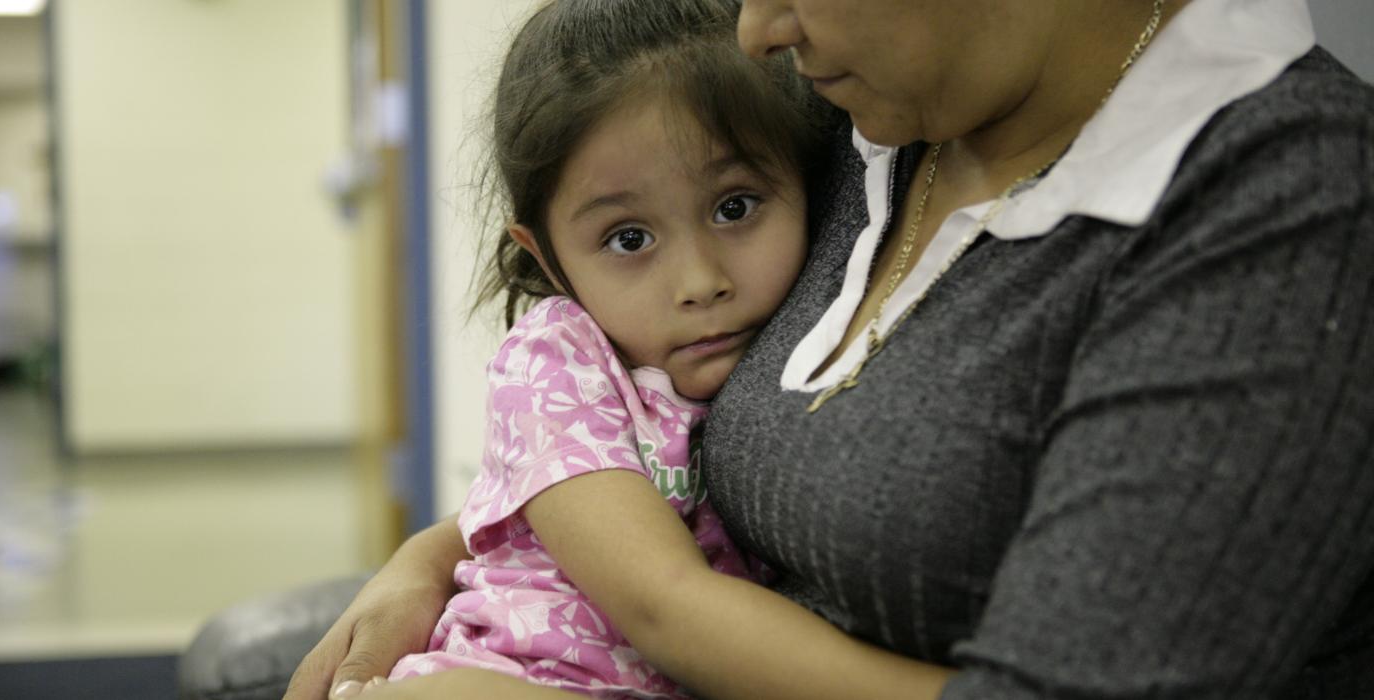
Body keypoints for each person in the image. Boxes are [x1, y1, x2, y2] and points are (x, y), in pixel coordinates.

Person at [285, 0, 1374, 697]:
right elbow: (649, 475)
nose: (756, 31)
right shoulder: (866, 134)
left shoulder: (1281, 200)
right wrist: (439, 553)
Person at [338, 2, 934, 698]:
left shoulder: (819, 312)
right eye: (629, 239)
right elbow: (662, 604)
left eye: (735, 207)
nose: (700, 282)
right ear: (551, 258)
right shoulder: (556, 363)